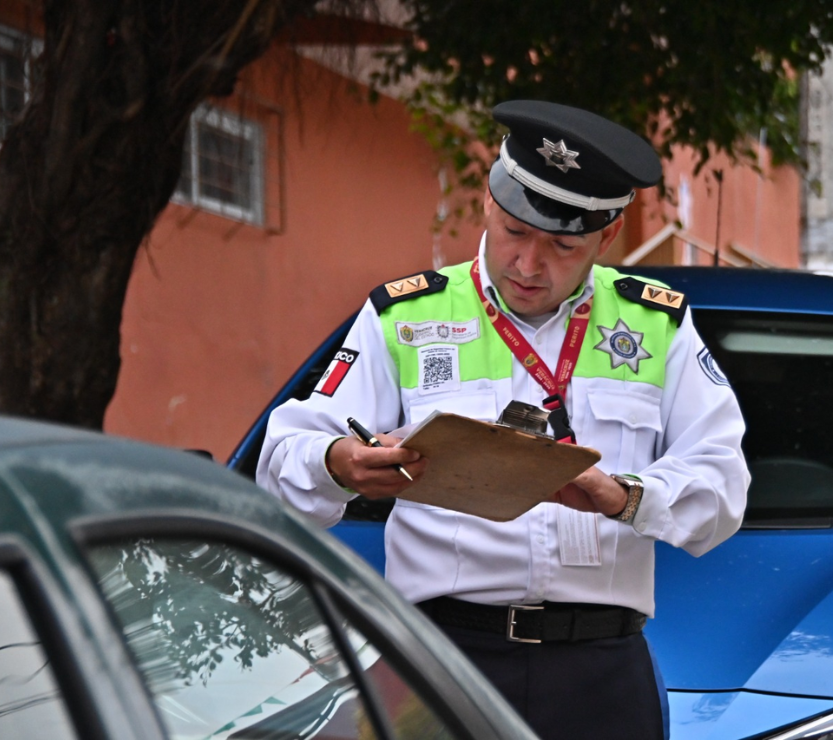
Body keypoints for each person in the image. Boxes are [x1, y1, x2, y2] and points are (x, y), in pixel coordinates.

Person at [258, 100, 749, 740]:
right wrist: (337, 464)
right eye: (515, 231)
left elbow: (723, 486)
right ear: (488, 203)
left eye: (562, 245)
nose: (528, 264)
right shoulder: (405, 315)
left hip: (600, 671)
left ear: (606, 238)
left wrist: (625, 497)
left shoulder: (656, 325)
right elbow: (282, 458)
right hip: (442, 659)